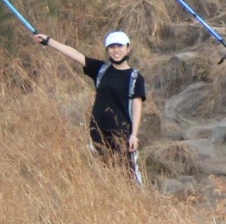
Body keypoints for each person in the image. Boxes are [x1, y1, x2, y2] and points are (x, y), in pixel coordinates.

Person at [33, 29, 146, 177]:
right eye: (112, 47)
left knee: (129, 174)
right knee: (103, 172)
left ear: (127, 48)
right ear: (107, 50)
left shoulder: (135, 77)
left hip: (122, 132)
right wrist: (48, 41)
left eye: (120, 46)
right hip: (98, 130)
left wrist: (134, 135)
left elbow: (137, 107)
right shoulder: (101, 69)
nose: (116, 50)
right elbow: (75, 54)